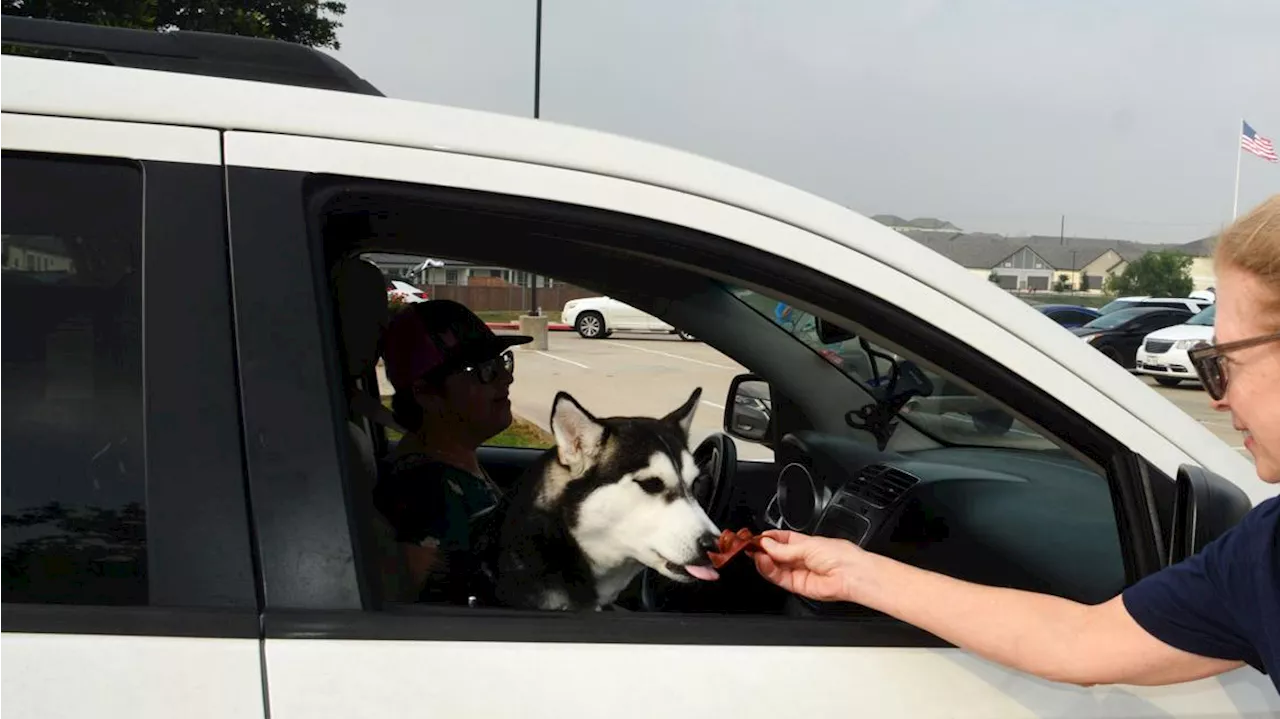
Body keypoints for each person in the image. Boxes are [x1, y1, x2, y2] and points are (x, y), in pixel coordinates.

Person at [752, 194, 1280, 692]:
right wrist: (853, 573)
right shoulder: (1263, 553)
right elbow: (1078, 640)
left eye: (1223, 362)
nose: (1218, 397)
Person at [374, 299, 531, 605]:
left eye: (502, 362)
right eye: (483, 370)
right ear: (426, 393)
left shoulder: (453, 468)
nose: (505, 377)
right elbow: (429, 621)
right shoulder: (423, 496)